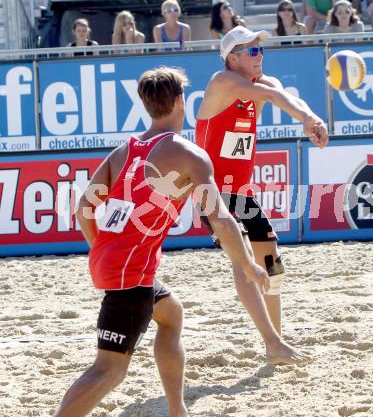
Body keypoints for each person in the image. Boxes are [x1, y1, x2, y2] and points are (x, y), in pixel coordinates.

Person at [54, 66, 271, 417]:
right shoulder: (189, 154)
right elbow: (220, 217)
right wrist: (247, 264)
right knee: (110, 369)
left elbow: (84, 208)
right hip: (129, 270)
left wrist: (103, 250)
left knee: (171, 316)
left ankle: (176, 409)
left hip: (112, 259)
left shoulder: (126, 150)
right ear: (181, 101)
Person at [195, 26, 328, 363]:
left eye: (261, 50)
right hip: (213, 192)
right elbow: (273, 98)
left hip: (239, 192)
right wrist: (308, 118)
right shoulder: (222, 82)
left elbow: (284, 96)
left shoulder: (261, 85)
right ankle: (273, 343)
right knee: (244, 261)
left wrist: (306, 117)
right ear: (233, 58)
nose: (260, 56)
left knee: (271, 258)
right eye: (252, 51)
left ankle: (277, 342)